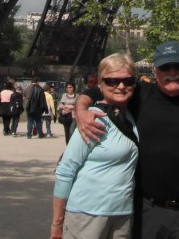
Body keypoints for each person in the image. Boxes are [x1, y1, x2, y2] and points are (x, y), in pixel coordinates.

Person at [76, 40, 179, 239]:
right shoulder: (140, 95)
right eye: (165, 67)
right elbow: (99, 90)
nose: (172, 71)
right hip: (147, 210)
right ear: (154, 70)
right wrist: (81, 108)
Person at [50, 53, 139, 239]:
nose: (121, 86)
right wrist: (57, 222)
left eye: (127, 81)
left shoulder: (132, 116)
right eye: (112, 81)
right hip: (87, 213)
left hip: (122, 213)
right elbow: (66, 169)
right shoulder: (91, 119)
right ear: (100, 84)